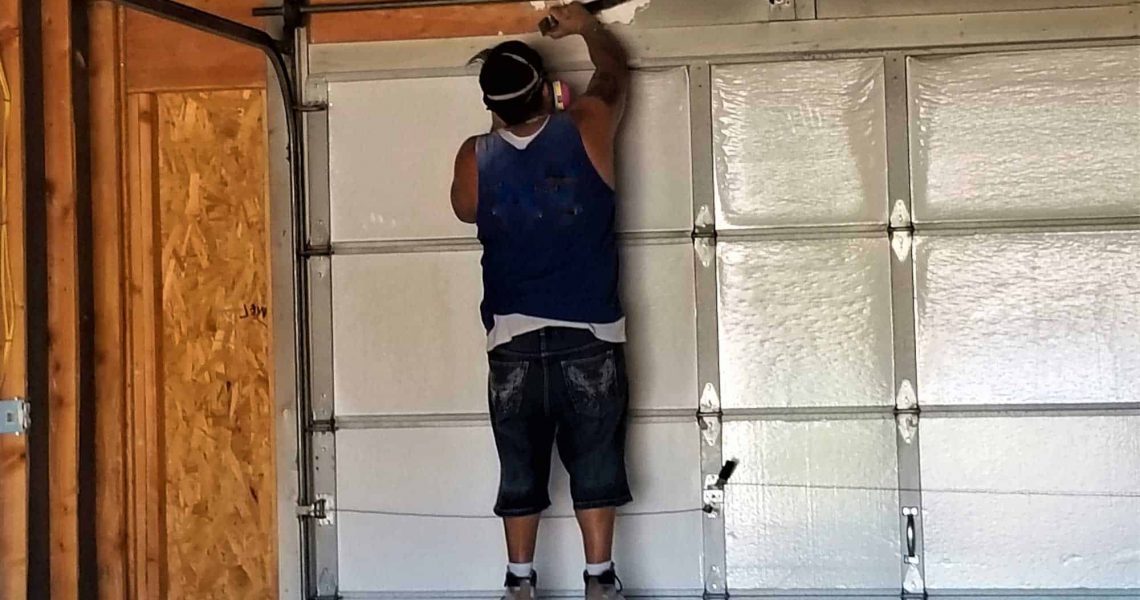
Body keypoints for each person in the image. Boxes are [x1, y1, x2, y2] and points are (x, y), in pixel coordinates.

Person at [449, 3, 632, 599]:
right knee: (596, 463)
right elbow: (614, 73)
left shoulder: (474, 156)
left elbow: (464, 209)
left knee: (520, 467)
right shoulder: (586, 126)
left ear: (491, 106)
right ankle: (599, 580)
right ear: (550, 92)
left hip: (512, 341)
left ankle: (519, 582)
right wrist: (587, 28)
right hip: (590, 335)